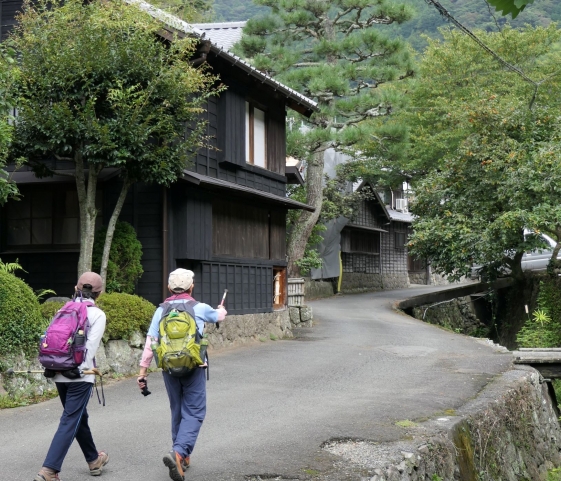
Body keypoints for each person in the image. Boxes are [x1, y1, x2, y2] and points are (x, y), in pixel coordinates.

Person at [137, 268, 226, 481]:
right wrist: (221, 309)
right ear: (191, 287)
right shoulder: (199, 308)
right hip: (194, 366)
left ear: (169, 287)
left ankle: (182, 456)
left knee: (177, 410)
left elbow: (151, 342)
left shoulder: (161, 310)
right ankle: (178, 453)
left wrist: (143, 372)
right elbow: (219, 316)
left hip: (168, 367)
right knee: (194, 411)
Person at [34, 272, 109, 481]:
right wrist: (84, 370)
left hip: (57, 372)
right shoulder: (97, 314)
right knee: (70, 420)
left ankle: (94, 460)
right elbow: (89, 351)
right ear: (99, 293)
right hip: (80, 375)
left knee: (78, 417)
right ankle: (49, 470)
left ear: (76, 288)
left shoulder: (63, 309)